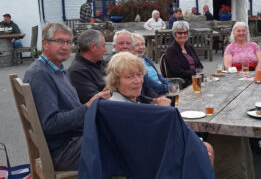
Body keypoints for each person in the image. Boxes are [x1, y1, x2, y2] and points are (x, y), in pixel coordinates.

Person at [23, 22, 110, 170]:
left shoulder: (59, 70)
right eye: (59, 41)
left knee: (119, 133)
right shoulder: (40, 74)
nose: (65, 46)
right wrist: (88, 106)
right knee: (121, 144)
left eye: (69, 42)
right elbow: (50, 124)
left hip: (72, 140)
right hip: (62, 151)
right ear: (45, 44)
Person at [106, 51, 214, 165]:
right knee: (204, 151)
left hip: (149, 154)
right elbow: (145, 143)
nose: (137, 81)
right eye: (129, 77)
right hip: (146, 163)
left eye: (139, 74)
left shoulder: (128, 101)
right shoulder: (120, 107)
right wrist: (164, 112)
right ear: (115, 81)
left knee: (204, 147)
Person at [105, 29, 160, 99]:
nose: (125, 46)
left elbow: (147, 86)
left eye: (128, 43)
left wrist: (156, 99)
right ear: (114, 46)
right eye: (121, 43)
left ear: (132, 46)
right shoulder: (110, 63)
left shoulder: (134, 60)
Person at [69, 29, 107, 104]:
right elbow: (98, 102)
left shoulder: (99, 62)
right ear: (93, 48)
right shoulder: (77, 72)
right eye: (103, 46)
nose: (105, 50)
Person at [164, 21, 203, 88]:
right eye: (180, 33)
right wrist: (195, 73)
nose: (183, 35)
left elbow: (199, 65)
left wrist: (197, 73)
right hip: (183, 82)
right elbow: (178, 71)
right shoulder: (171, 50)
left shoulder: (189, 47)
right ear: (175, 34)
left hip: (196, 78)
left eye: (185, 33)